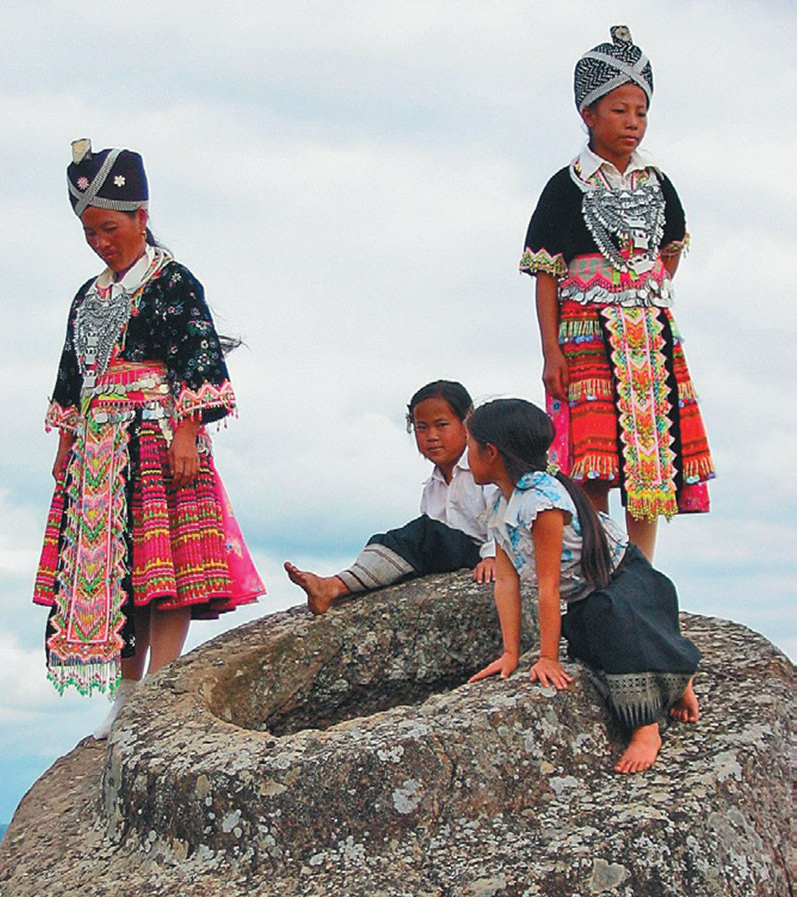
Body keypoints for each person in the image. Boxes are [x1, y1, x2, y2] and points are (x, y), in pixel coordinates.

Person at [33, 140, 264, 735]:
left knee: (167, 565)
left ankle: (157, 688)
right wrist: (66, 446)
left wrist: (186, 433)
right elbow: (71, 374)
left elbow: (197, 358)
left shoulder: (172, 282)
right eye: (90, 233)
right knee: (118, 571)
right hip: (98, 449)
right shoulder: (88, 297)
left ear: (140, 216)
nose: (100, 242)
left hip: (157, 434)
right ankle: (126, 692)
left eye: (109, 228)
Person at [520, 26, 714, 562]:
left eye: (641, 112)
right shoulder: (566, 187)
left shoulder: (658, 183)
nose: (633, 122)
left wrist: (641, 290)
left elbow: (670, 249)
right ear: (588, 114)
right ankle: (600, 564)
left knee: (649, 458)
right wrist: (551, 350)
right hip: (585, 335)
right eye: (620, 110)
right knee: (593, 462)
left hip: (648, 336)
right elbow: (545, 275)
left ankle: (642, 573)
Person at [466, 398, 700, 774]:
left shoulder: (542, 502)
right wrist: (511, 653)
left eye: (470, 445)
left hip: (628, 585)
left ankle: (647, 726)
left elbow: (548, 585)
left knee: (619, 637)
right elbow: (507, 581)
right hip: (588, 595)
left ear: (491, 452)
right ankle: (675, 677)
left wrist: (548, 658)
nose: (467, 456)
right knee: (586, 644)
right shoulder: (501, 504)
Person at [285, 380, 499, 614]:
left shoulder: (485, 470)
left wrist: (492, 557)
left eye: (442, 425)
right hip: (451, 560)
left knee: (423, 533)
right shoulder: (431, 487)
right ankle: (344, 585)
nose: (431, 436)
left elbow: (501, 518)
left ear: (467, 424)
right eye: (421, 428)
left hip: (481, 556)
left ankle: (333, 586)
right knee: (389, 542)